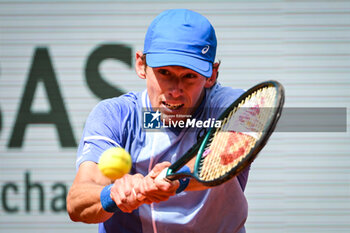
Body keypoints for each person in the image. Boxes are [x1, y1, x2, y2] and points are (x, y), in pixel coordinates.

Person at [67, 9, 250, 233]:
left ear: (211, 75)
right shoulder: (115, 115)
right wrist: (112, 194)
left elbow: (224, 157)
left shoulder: (236, 105)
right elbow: (77, 202)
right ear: (141, 65)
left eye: (189, 76)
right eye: (164, 72)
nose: (175, 90)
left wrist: (176, 178)